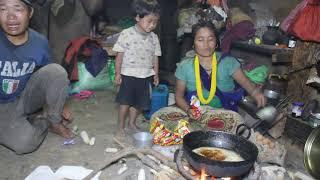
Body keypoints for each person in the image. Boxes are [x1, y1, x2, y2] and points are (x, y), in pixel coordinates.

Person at [0, 0, 73, 154]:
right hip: (2, 107)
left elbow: (51, 77)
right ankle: (39, 121)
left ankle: (53, 121)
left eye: (17, 9)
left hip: (24, 98)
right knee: (24, 144)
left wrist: (60, 104)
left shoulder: (39, 42)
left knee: (56, 71)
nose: (11, 17)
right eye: (3, 9)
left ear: (30, 13)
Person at [175, 21, 266, 120]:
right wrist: (188, 110)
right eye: (200, 40)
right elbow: (179, 97)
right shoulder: (185, 66)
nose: (206, 44)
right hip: (196, 117)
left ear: (216, 43)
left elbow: (244, 82)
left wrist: (255, 93)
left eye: (210, 39)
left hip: (225, 117)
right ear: (193, 44)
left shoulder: (228, 63)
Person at [113, 0, 161, 135]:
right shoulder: (126, 34)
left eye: (155, 22)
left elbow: (155, 57)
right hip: (128, 74)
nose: (152, 25)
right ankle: (121, 126)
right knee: (125, 102)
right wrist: (118, 74)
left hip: (145, 75)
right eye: (149, 21)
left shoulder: (154, 38)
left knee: (138, 103)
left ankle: (132, 123)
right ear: (138, 17)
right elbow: (119, 56)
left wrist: (155, 74)